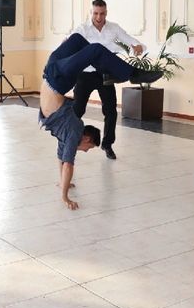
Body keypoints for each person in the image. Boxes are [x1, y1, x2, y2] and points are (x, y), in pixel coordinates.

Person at [40, 33, 162, 209]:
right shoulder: (74, 132)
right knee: (90, 47)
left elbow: (61, 156)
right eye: (89, 147)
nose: (86, 151)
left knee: (78, 40)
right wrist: (65, 197)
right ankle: (132, 74)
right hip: (57, 78)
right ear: (87, 139)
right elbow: (67, 165)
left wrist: (63, 184)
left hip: (52, 71)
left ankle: (107, 73)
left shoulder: (68, 134)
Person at [72, 0, 145, 160]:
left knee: (111, 111)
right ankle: (71, 141)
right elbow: (68, 43)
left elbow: (129, 39)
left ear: (106, 12)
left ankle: (107, 144)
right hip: (85, 74)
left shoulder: (113, 28)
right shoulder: (82, 29)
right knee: (77, 110)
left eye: (102, 13)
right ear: (91, 12)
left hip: (105, 74)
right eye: (96, 13)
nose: (99, 17)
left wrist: (137, 45)